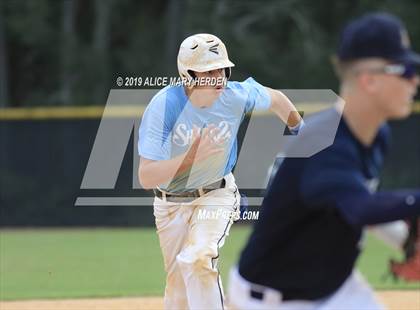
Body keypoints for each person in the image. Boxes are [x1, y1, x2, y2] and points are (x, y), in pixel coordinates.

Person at [228, 12, 420, 310]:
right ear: (369, 80)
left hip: (335, 288)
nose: (415, 80)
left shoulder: (376, 134)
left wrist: (407, 243)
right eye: (406, 69)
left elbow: (352, 202)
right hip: (275, 299)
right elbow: (360, 209)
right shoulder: (324, 145)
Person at [137, 33, 303, 310]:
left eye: (221, 69)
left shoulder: (234, 96)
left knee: (200, 257)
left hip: (217, 193)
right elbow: (146, 176)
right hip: (169, 206)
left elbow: (276, 99)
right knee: (178, 295)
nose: (219, 77)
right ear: (188, 75)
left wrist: (302, 133)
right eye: (208, 71)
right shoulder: (164, 106)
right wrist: (190, 158)